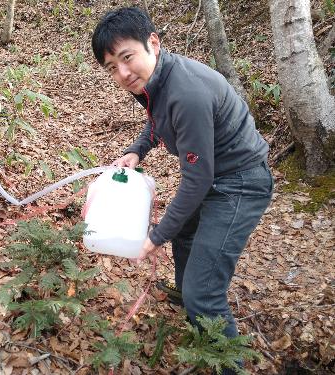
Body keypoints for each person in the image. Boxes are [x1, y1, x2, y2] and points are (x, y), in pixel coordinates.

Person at [92, 6, 273, 373]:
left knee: (203, 290)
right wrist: (136, 150)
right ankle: (189, 304)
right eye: (112, 67)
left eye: (127, 58)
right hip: (215, 175)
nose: (123, 74)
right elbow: (158, 118)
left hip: (240, 183)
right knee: (185, 237)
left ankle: (226, 358)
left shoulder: (186, 91)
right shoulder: (155, 79)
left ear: (153, 44)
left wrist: (154, 236)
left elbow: (197, 181)